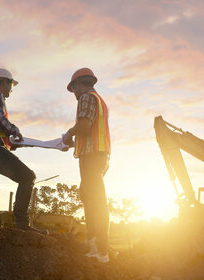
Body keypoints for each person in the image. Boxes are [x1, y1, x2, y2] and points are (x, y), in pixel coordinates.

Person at [0, 68, 47, 235]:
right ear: (5, 82)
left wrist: (18, 142)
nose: (12, 88)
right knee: (28, 177)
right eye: (11, 84)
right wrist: (15, 130)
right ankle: (22, 223)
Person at [62, 68, 111, 263]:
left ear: (79, 84)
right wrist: (73, 142)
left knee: (95, 201)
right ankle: (95, 245)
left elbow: (83, 126)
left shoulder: (86, 98)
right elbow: (91, 131)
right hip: (99, 155)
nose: (73, 93)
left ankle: (100, 250)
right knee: (89, 196)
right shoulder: (99, 100)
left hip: (92, 157)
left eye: (73, 87)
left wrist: (68, 133)